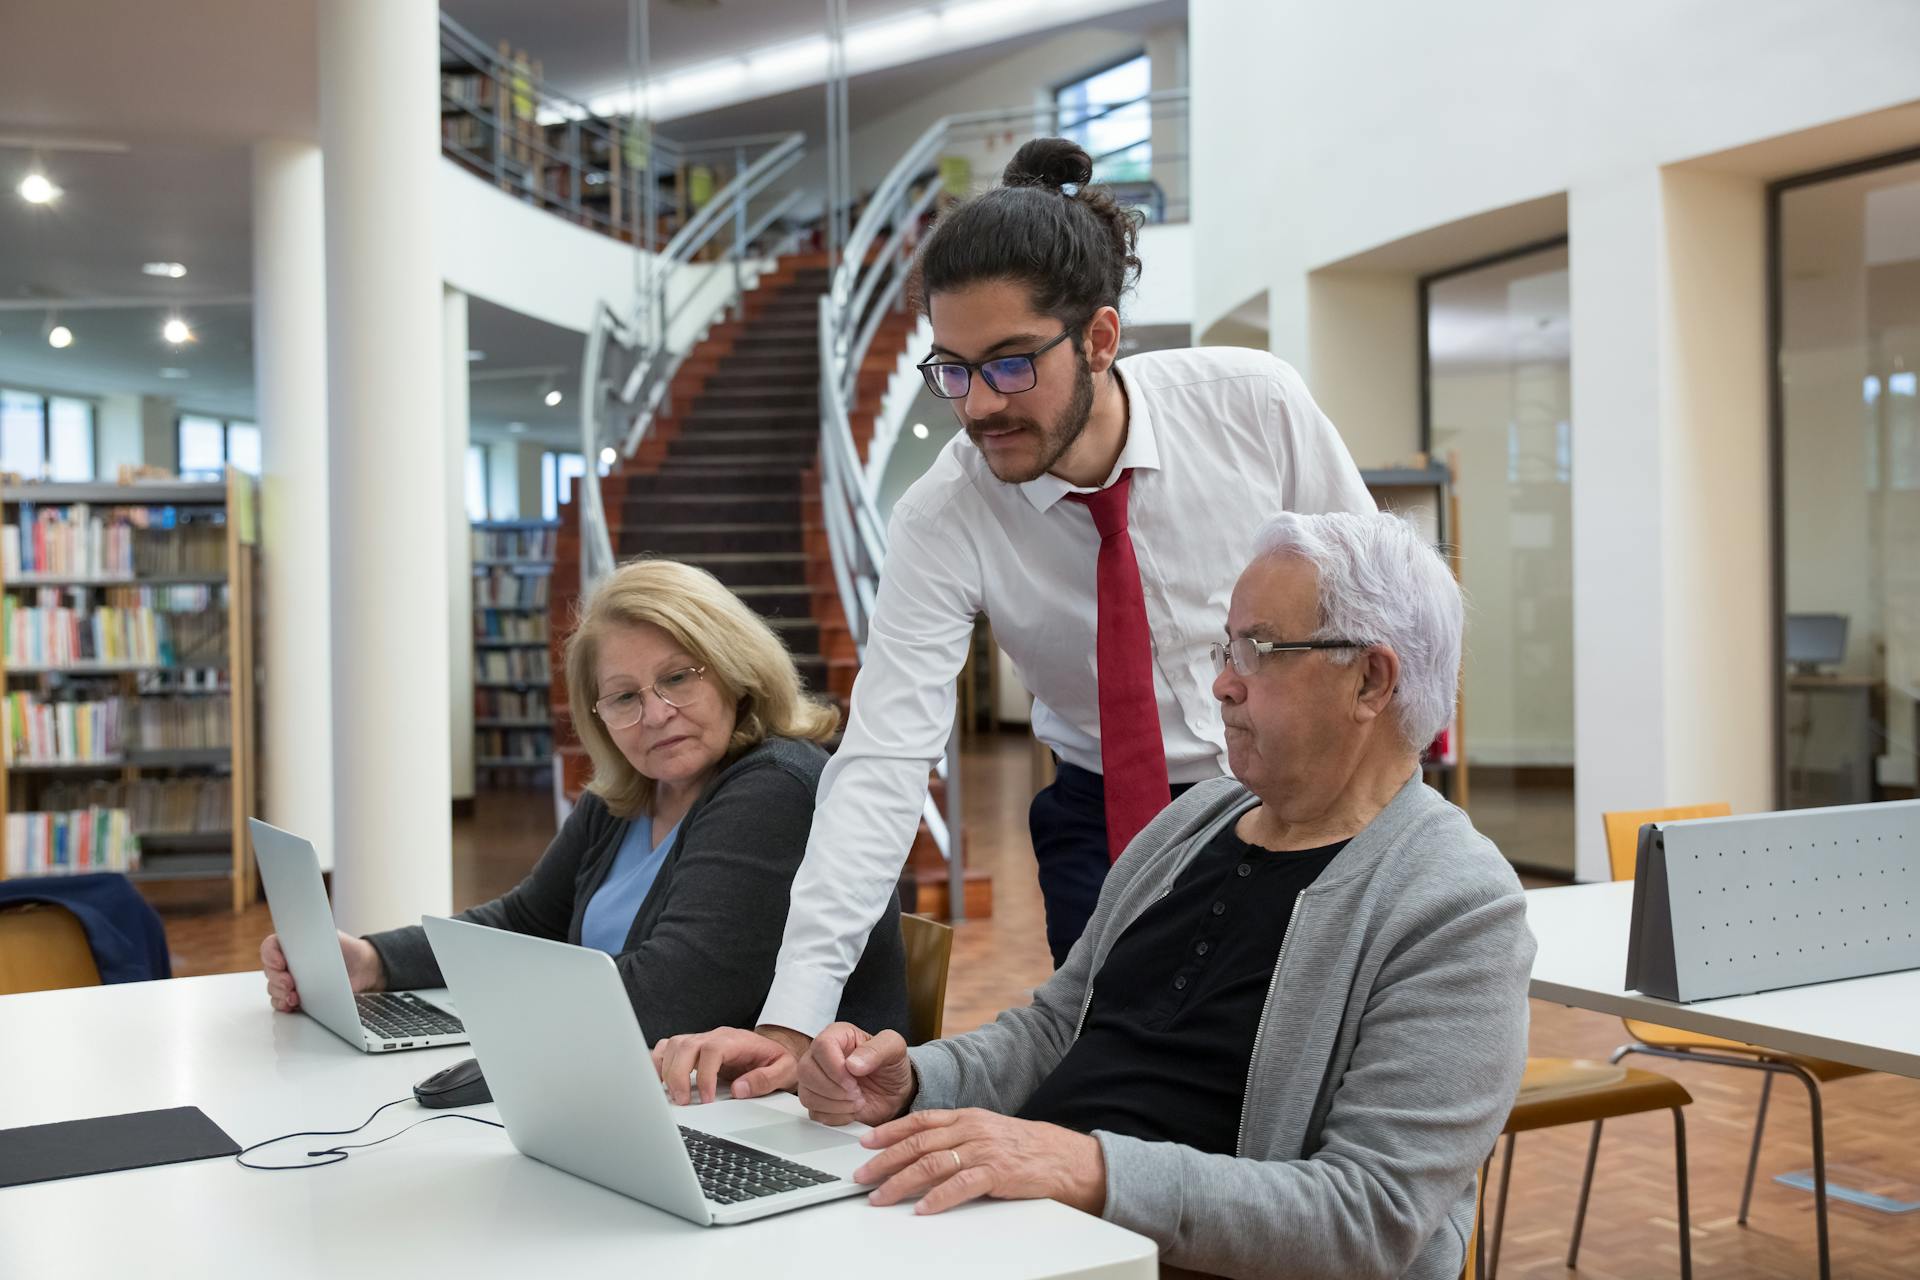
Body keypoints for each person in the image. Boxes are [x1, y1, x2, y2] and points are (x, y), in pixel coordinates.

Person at [653, 135, 1378, 1092]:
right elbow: (882, 764)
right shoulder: (945, 515)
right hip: (1100, 812)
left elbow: (1386, 617)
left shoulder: (1253, 407)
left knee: (1312, 1078)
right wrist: (794, 1019)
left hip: (1299, 787)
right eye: (950, 370)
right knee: (1125, 1080)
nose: (977, 406)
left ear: (1101, 339)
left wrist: (1397, 815)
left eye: (1007, 365)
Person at [789, 511, 1534, 1280]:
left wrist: (1090, 1171)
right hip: (1036, 1237)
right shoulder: (1194, 821)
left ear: (1371, 680)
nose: (1222, 680)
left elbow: (1368, 1218)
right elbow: (1056, 1031)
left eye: (1259, 649)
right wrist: (916, 1079)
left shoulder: (1455, 903)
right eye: (1226, 646)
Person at [259, 558, 909, 1041]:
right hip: (656, 1095)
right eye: (625, 697)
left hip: (789, 1130)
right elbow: (525, 921)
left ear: (735, 669)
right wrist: (376, 960)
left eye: (678, 677)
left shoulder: (776, 787)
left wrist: (490, 1021)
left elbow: (670, 996)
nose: (655, 714)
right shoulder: (628, 795)